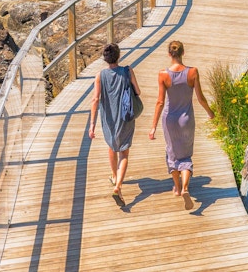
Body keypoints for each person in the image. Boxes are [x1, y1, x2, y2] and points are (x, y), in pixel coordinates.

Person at [148, 40, 214, 210]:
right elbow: (200, 98)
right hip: (186, 120)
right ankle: (185, 187)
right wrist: (210, 112)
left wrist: (153, 126)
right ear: (183, 53)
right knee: (185, 155)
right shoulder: (192, 72)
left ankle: (177, 188)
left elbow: (160, 102)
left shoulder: (163, 74)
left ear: (169, 54)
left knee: (172, 154)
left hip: (169, 120)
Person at [89, 43, 141, 197]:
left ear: (105, 58)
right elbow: (138, 91)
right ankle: (118, 185)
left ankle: (114, 175)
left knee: (112, 146)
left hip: (109, 119)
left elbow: (95, 100)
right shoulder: (127, 71)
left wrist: (92, 125)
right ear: (119, 56)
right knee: (124, 153)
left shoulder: (100, 75)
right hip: (125, 117)